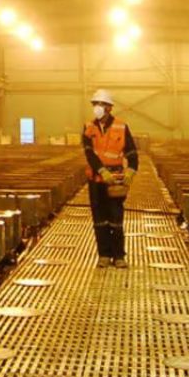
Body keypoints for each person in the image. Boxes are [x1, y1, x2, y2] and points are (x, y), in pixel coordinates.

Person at [81, 89, 139, 268]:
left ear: (109, 107)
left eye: (101, 104)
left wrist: (131, 171)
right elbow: (89, 153)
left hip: (115, 180)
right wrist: (101, 171)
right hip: (97, 180)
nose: (97, 107)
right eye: (95, 104)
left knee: (116, 219)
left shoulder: (121, 126)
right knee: (100, 220)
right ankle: (104, 255)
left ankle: (119, 256)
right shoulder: (88, 127)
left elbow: (132, 153)